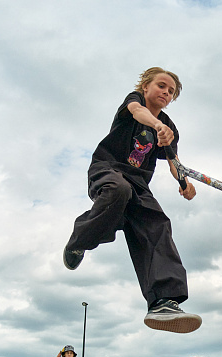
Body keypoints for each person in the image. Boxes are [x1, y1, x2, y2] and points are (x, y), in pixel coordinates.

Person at [62, 67, 201, 334]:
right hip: (108, 169)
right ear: (146, 86)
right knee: (118, 191)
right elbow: (139, 112)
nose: (166, 93)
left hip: (139, 184)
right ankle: (78, 241)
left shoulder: (169, 128)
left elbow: (173, 161)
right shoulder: (134, 102)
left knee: (157, 224)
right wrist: (156, 124)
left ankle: (163, 300)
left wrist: (184, 182)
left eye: (171, 92)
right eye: (161, 86)